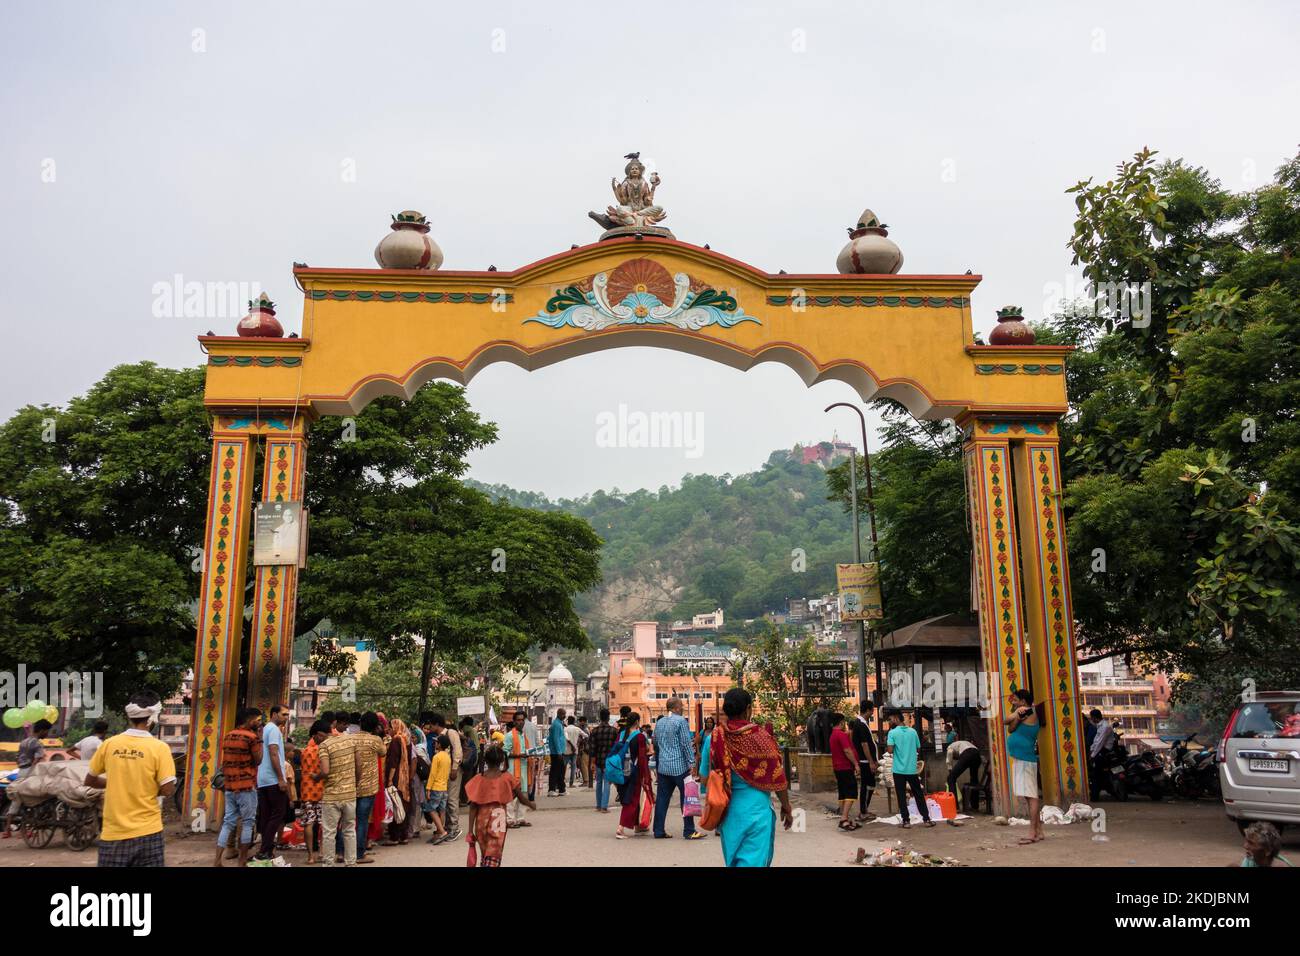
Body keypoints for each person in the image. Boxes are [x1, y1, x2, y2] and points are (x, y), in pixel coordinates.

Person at [84, 693, 175, 867]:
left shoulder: (110, 744)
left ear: (129, 716)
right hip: (149, 832)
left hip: (113, 834)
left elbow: (90, 780)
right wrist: (145, 786)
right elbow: (168, 789)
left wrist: (117, 783)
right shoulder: (160, 748)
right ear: (153, 717)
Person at [711, 688, 794, 867]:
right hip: (757, 812)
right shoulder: (762, 738)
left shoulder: (717, 737)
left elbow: (705, 777)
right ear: (748, 708)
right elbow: (777, 776)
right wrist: (786, 806)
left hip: (728, 812)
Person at [466, 745, 535, 867]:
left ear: (486, 761)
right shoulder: (507, 777)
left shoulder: (478, 779)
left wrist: (470, 831)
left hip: (481, 823)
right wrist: (531, 804)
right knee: (494, 855)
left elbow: (473, 807)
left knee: (485, 854)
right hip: (498, 822)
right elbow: (521, 798)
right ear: (502, 760)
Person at [214, 706, 262, 867]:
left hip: (229, 785)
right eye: (258, 720)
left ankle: (217, 861)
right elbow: (258, 760)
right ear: (249, 720)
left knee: (228, 822)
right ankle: (241, 861)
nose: (259, 723)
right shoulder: (252, 737)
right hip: (247, 785)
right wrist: (259, 738)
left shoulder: (228, 736)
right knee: (248, 822)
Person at [651, 697, 701, 840]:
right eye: (682, 705)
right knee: (687, 798)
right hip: (680, 767)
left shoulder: (659, 722)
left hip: (663, 766)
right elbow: (685, 744)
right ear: (677, 707)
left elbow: (656, 741)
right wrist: (692, 763)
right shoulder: (680, 721)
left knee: (662, 799)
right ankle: (689, 830)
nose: (683, 707)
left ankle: (658, 830)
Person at [317, 717, 362, 867]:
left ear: (320, 734)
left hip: (331, 796)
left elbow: (325, 771)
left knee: (329, 832)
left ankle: (328, 864)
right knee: (349, 830)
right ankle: (351, 863)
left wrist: (316, 777)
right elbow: (359, 764)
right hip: (349, 794)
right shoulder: (350, 740)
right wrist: (355, 783)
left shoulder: (324, 746)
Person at [1004, 688, 1044, 845]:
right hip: (1022, 758)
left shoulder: (1027, 711)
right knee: (1029, 796)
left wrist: (1016, 714)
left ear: (1023, 701)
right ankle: (1039, 831)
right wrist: (1017, 717)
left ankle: (1032, 833)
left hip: (1026, 759)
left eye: (1015, 699)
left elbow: (1005, 721)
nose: (1013, 701)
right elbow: (1011, 728)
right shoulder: (1023, 713)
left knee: (1032, 797)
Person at [253, 703, 290, 861]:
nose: (286, 718)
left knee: (267, 816)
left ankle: (265, 850)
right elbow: (274, 753)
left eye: (287, 715)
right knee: (278, 814)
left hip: (263, 779)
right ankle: (266, 849)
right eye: (284, 714)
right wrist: (281, 778)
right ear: (274, 714)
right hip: (273, 779)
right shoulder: (274, 730)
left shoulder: (266, 729)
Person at [887, 714, 934, 829]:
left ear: (896, 718)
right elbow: (918, 748)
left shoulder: (892, 733)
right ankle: (926, 819)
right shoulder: (913, 732)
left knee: (901, 795)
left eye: (890, 719)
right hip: (912, 769)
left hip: (898, 770)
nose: (889, 722)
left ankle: (906, 821)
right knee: (918, 794)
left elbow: (890, 750)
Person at [353, 712, 388, 862]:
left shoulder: (350, 738)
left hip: (352, 785)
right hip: (369, 787)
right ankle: (360, 854)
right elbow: (383, 752)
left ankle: (341, 852)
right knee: (362, 821)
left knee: (347, 821)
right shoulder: (375, 740)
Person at [424, 713, 464, 839]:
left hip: (453, 771)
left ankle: (454, 828)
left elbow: (457, 751)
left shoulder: (451, 733)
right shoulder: (439, 737)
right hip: (445, 774)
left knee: (452, 799)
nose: (429, 727)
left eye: (430, 724)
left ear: (436, 724)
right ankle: (445, 828)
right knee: (445, 802)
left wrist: (454, 768)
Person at [615, 712, 653, 839]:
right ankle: (621, 828)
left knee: (631, 798)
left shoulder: (621, 735)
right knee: (631, 800)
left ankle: (638, 826)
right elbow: (642, 757)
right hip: (635, 771)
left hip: (621, 771)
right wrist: (646, 776)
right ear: (637, 721)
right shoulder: (640, 737)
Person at [298, 720, 329, 865]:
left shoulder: (304, 751)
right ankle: (322, 852)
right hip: (322, 788)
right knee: (323, 823)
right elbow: (326, 771)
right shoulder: (324, 751)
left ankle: (310, 856)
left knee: (308, 823)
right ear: (317, 735)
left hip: (306, 789)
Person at [501, 710, 536, 828]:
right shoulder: (510, 735)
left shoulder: (523, 735)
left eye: (522, 720)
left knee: (524, 793)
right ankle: (510, 820)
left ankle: (521, 818)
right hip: (513, 768)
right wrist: (519, 755)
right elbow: (504, 752)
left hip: (524, 768)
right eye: (518, 720)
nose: (520, 722)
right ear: (514, 722)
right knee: (512, 795)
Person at [383, 717, 414, 846]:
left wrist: (389, 779)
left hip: (396, 777)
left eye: (389, 728)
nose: (387, 730)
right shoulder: (407, 740)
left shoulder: (396, 740)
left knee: (395, 805)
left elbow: (393, 762)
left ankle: (395, 837)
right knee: (403, 805)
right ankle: (403, 836)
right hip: (404, 777)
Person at [829, 712, 860, 831]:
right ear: (841, 722)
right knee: (851, 792)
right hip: (845, 767)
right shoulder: (840, 735)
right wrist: (856, 764)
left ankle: (845, 818)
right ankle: (844, 819)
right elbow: (847, 751)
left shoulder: (833, 735)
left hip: (838, 768)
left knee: (843, 793)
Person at [850, 701, 880, 822]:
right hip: (865, 761)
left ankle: (864, 810)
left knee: (870, 785)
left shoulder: (862, 723)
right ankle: (863, 811)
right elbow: (864, 744)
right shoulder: (860, 724)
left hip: (867, 761)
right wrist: (871, 761)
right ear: (867, 710)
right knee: (867, 786)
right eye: (872, 710)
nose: (872, 712)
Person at [588, 708, 619, 813]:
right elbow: (617, 748)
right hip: (609, 761)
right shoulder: (614, 731)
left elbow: (592, 749)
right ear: (608, 717)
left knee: (599, 783)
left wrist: (592, 762)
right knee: (607, 783)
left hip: (598, 760)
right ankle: (604, 807)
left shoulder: (594, 731)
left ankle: (598, 805)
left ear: (600, 718)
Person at [426, 734, 452, 845]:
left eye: (436, 742)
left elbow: (432, 774)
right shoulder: (447, 756)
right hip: (444, 787)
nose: (435, 743)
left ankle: (441, 831)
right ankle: (438, 833)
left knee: (431, 809)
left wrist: (428, 788)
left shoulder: (436, 757)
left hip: (436, 787)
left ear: (440, 744)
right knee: (441, 810)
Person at [547, 708, 568, 796]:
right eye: (563, 714)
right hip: (556, 753)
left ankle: (561, 789)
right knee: (555, 771)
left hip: (559, 752)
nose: (564, 716)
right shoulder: (556, 724)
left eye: (565, 714)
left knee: (560, 771)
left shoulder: (559, 724)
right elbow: (556, 739)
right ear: (559, 714)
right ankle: (551, 789)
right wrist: (559, 752)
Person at [564, 715, 585, 788]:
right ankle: (571, 783)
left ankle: (562, 782)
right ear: (574, 722)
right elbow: (586, 735)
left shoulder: (565, 729)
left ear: (568, 721)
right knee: (573, 767)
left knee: (564, 766)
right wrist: (579, 741)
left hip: (566, 750)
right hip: (575, 750)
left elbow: (566, 738)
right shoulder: (577, 729)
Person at [576, 716, 592, 787]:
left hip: (585, 750)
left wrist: (579, 741)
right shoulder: (584, 729)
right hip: (584, 749)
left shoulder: (585, 730)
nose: (579, 723)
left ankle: (586, 781)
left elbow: (585, 740)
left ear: (583, 721)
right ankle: (585, 780)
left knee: (584, 765)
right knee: (582, 765)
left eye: (580, 721)